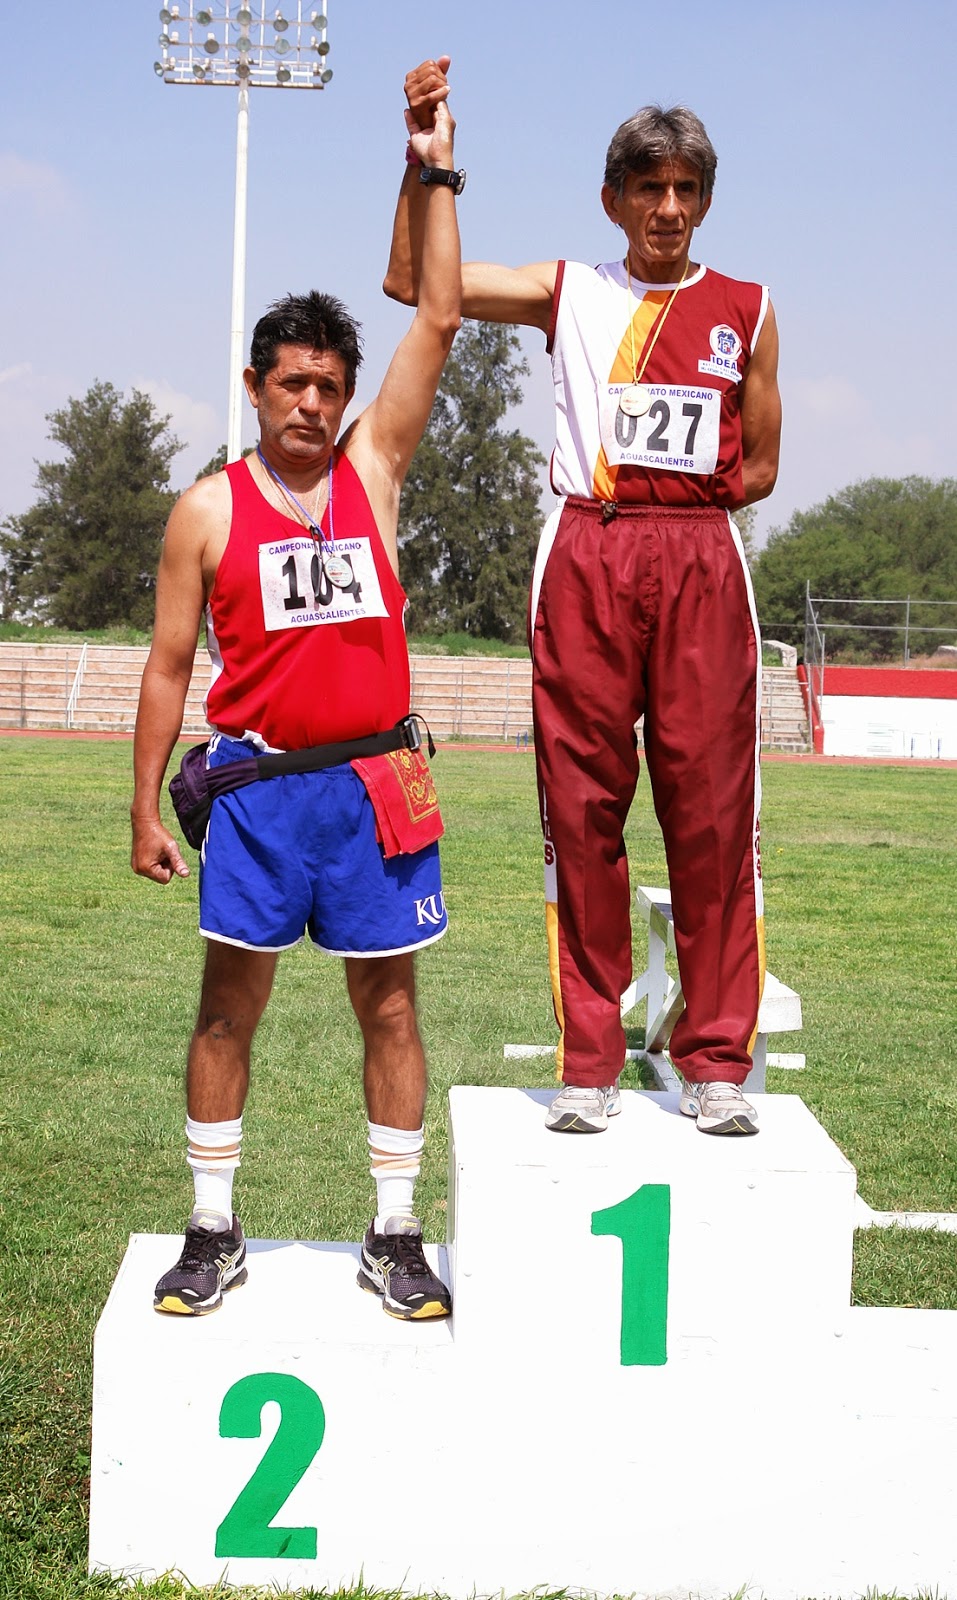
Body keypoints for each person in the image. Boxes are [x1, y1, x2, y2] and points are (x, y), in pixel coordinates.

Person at [387, 59, 781, 1138]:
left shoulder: (748, 309)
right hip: (588, 553)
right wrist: (429, 166)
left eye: (686, 189)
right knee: (582, 810)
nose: (668, 208)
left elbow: (760, 465)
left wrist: (679, 516)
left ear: (706, 200)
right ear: (612, 199)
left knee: (712, 817)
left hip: (700, 559)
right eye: (648, 188)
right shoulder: (566, 290)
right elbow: (420, 286)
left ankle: (715, 1062)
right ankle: (591, 1062)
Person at [130, 94, 463, 1319]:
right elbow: (169, 666)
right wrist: (142, 807)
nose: (312, 403)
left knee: (392, 1004)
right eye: (292, 383)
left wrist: (431, 172)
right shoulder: (210, 509)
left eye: (329, 384)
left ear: (347, 393)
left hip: (378, 782)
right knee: (229, 1008)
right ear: (256, 386)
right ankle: (212, 1228)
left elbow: (438, 313)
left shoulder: (376, 469)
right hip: (260, 791)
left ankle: (395, 1232)